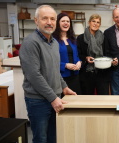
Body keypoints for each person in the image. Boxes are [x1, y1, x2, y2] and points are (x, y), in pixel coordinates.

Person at [19, 5, 77, 143]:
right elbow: (34, 75)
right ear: (36, 21)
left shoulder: (54, 43)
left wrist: (64, 87)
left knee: (53, 137)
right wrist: (53, 98)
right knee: (41, 139)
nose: (49, 22)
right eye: (45, 18)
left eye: (52, 19)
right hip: (38, 101)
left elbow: (54, 69)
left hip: (54, 97)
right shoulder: (30, 42)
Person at [77, 14, 110, 95]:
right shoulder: (81, 38)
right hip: (87, 72)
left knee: (103, 97)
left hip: (102, 72)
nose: (95, 24)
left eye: (98, 22)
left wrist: (109, 60)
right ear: (89, 22)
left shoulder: (104, 38)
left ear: (100, 24)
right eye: (93, 21)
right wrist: (86, 58)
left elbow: (107, 53)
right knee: (87, 98)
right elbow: (78, 54)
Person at [53, 12, 82, 95]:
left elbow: (77, 55)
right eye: (63, 21)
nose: (66, 23)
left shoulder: (73, 39)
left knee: (75, 103)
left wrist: (79, 62)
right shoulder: (53, 41)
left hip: (75, 76)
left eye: (68, 21)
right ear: (58, 23)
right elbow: (50, 61)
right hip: (61, 78)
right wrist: (65, 65)